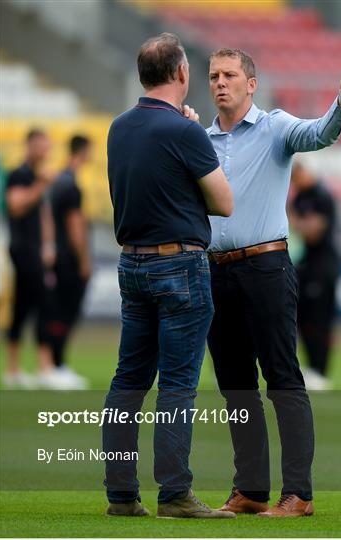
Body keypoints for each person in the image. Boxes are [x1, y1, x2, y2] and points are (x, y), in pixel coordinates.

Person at [205, 48, 341, 517]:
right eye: (214, 75)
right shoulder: (198, 139)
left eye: (230, 75)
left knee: (282, 378)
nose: (220, 83)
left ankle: (298, 493)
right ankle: (251, 489)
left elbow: (319, 134)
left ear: (251, 84)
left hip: (266, 267)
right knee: (235, 385)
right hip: (217, 270)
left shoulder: (275, 126)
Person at [103, 33, 234, 519]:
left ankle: (120, 494)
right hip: (179, 263)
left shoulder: (119, 127)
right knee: (178, 384)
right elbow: (223, 202)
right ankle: (175, 493)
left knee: (127, 381)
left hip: (131, 263)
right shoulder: (185, 132)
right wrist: (194, 138)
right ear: (181, 74)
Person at [4, 129, 72, 389]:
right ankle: (44, 367)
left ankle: (14, 369)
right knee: (44, 303)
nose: (45, 152)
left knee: (23, 306)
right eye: (41, 146)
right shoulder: (19, 175)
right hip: (22, 250)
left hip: (36, 250)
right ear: (29, 146)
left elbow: (43, 216)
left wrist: (49, 245)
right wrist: (41, 185)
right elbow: (16, 205)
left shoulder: (34, 177)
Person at [46, 135, 93, 390]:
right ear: (83, 151)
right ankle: (57, 365)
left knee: (59, 310)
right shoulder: (71, 186)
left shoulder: (59, 180)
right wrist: (84, 259)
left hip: (59, 255)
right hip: (69, 260)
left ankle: (55, 364)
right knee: (67, 311)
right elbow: (75, 227)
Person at [289, 163, 340, 391]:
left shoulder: (321, 196)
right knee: (303, 319)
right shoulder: (300, 197)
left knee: (320, 320)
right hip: (305, 264)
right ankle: (311, 368)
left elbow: (313, 232)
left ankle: (321, 370)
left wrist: (293, 220)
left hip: (323, 266)